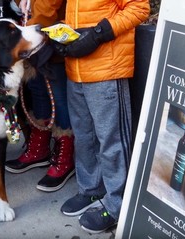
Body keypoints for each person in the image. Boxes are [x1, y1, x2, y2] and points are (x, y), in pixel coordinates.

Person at [52, 0, 149, 234]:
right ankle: (91, 189)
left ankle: (118, 204)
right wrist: (63, 36)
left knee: (111, 141)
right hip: (76, 70)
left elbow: (140, 8)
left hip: (107, 69)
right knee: (84, 137)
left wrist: (98, 34)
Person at [3, 0, 75, 192]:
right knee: (38, 92)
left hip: (51, 35)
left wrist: (26, 34)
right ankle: (40, 149)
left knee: (59, 98)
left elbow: (48, 6)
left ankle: (66, 157)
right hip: (33, 33)